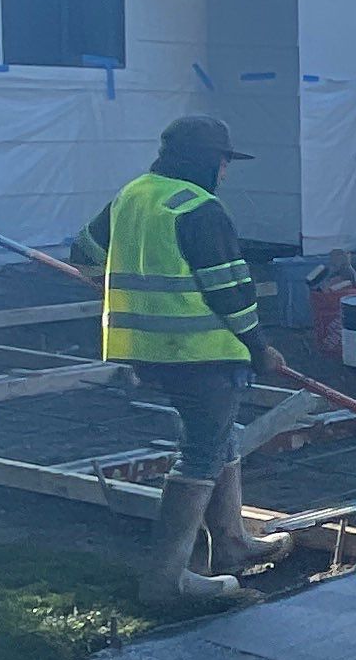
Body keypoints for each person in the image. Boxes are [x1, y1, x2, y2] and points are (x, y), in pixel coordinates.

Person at [73, 115, 292, 612]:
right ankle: (167, 580)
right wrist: (259, 348)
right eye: (224, 163)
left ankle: (232, 541)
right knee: (200, 453)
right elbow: (232, 294)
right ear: (209, 162)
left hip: (145, 351)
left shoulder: (134, 194)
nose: (225, 173)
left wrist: (104, 279)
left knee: (219, 437)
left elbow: (83, 251)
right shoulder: (199, 209)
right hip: (201, 355)